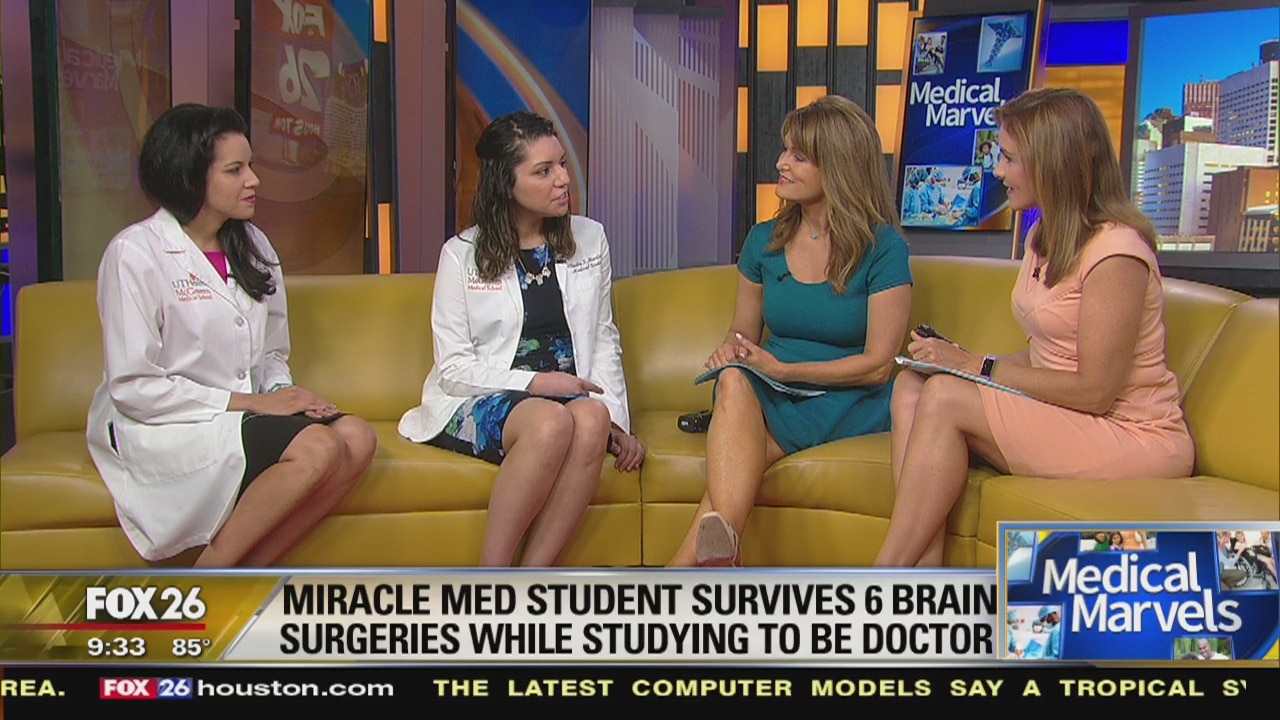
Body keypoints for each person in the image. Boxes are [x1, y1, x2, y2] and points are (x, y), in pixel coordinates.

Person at [873, 87, 1195, 568]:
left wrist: (976, 366)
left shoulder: (1117, 254)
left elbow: (1095, 391)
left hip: (1132, 432)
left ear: (1053, 164)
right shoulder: (1043, 235)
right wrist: (959, 363)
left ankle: (883, 577)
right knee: (912, 386)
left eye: (1008, 158)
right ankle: (925, 576)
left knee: (944, 397)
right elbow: (1050, 355)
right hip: (1067, 412)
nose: (997, 171)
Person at [86, 103, 378, 567]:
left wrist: (285, 395)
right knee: (319, 448)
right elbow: (134, 387)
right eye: (235, 170)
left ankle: (244, 578)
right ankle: (207, 581)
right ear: (190, 177)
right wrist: (256, 403)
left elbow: (271, 355)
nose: (254, 180)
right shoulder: (135, 254)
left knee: (359, 438)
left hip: (240, 414)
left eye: (251, 166)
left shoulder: (254, 246)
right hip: (167, 423)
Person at [665, 95, 913, 567]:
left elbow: (879, 366)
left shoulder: (883, 248)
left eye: (799, 156)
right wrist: (731, 352)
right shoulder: (763, 240)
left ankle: (674, 581)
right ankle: (713, 563)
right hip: (772, 392)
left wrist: (784, 369)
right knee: (733, 380)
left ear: (837, 167)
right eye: (785, 151)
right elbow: (742, 333)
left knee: (733, 468)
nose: (781, 163)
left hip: (848, 400)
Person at [398, 110, 644, 567]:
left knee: (592, 419)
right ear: (505, 184)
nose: (563, 180)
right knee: (550, 423)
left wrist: (619, 421)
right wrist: (536, 383)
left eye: (562, 164)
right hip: (483, 397)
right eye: (543, 171)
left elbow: (603, 337)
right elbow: (453, 369)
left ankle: (531, 581)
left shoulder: (590, 238)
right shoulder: (460, 255)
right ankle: (491, 581)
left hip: (568, 400)